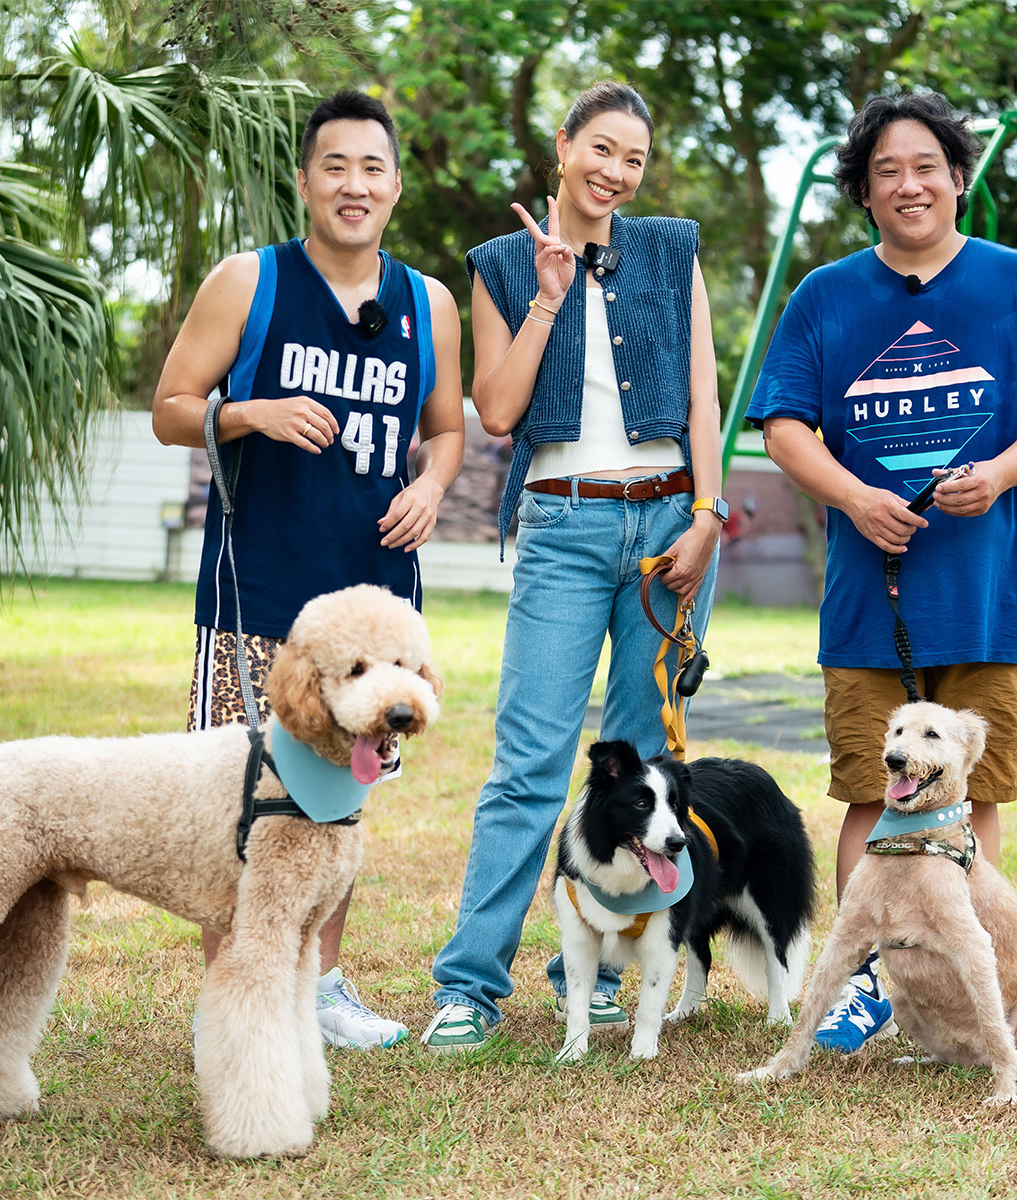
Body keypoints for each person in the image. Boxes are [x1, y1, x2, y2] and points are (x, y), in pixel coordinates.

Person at [745, 91, 1017, 1052]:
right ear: (864, 191)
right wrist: (856, 497)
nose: (909, 184)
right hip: (871, 604)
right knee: (871, 792)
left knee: (970, 804)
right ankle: (863, 987)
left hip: (992, 598)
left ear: (957, 178)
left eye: (926, 166)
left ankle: (956, 987)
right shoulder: (825, 296)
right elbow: (782, 427)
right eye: (887, 171)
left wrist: (1002, 471)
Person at [152, 88, 464, 1050]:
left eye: (373, 168)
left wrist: (432, 486)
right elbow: (170, 407)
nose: (354, 185)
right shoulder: (249, 281)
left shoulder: (428, 302)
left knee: (341, 799)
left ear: (396, 186)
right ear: (305, 181)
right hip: (259, 595)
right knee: (242, 809)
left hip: (373, 619)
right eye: (336, 166)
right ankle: (240, 995)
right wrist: (251, 413)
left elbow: (447, 428)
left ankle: (320, 988)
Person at [423, 82, 723, 1053]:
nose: (615, 173)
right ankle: (470, 983)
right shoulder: (503, 265)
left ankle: (591, 968)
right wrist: (550, 294)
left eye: (632, 158)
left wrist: (711, 513)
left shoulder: (672, 249)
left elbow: (708, 394)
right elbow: (499, 413)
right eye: (600, 149)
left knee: (638, 770)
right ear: (562, 146)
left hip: (670, 531)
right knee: (530, 766)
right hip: (563, 527)